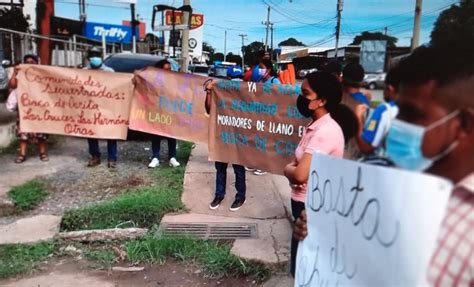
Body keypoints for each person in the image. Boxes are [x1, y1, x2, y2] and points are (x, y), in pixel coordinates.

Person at [293, 44, 474, 286]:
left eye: (411, 114)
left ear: (463, 124)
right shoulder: (384, 181)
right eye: (398, 112)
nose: (395, 125)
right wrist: (317, 229)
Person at [284, 71, 358, 277]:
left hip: (313, 207)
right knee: (301, 266)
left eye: (305, 94)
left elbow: (298, 173)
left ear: (321, 100)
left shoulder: (324, 132)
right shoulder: (315, 127)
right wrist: (294, 171)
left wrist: (287, 170)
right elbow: (298, 168)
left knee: (305, 268)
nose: (301, 98)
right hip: (304, 202)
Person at [204, 67, 247, 212]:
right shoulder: (220, 92)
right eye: (233, 79)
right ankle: (219, 195)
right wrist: (209, 91)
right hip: (223, 137)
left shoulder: (247, 94)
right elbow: (209, 109)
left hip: (239, 139)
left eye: (239, 79)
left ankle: (240, 196)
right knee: (220, 168)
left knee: (239, 169)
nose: (236, 82)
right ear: (227, 79)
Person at [7, 54, 49, 163]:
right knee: (23, 132)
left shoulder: (42, 74)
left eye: (32, 61)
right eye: (27, 61)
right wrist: (15, 73)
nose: (29, 63)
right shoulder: (20, 73)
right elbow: (12, 85)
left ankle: (42, 153)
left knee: (41, 132)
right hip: (24, 109)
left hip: (39, 108)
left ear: (36, 63)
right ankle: (22, 154)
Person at [356, 64, 401, 163]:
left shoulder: (385, 110)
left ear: (390, 88)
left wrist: (358, 119)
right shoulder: (420, 112)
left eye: (384, 88)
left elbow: (366, 147)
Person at [84, 47, 117, 168]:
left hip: (106, 106)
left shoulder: (110, 72)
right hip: (90, 107)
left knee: (111, 132)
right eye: (92, 54)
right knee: (91, 132)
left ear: (101, 57)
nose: (95, 57)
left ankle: (112, 158)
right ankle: (95, 156)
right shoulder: (84, 72)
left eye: (97, 54)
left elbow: (116, 87)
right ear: (88, 57)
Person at [246, 58, 280, 175]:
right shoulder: (259, 81)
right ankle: (255, 163)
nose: (259, 70)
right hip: (258, 116)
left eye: (262, 67)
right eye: (259, 67)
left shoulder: (274, 82)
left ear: (269, 69)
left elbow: (280, 99)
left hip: (269, 117)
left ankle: (264, 166)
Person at [148, 59, 180, 168]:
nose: (168, 71)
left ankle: (172, 157)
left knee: (171, 135)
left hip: (170, 111)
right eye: (166, 69)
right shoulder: (153, 81)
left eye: (169, 69)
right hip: (157, 111)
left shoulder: (174, 80)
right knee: (156, 135)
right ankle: (155, 157)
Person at [340, 62, 372, 160]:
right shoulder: (365, 104)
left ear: (342, 78)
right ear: (361, 81)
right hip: (355, 156)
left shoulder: (334, 100)